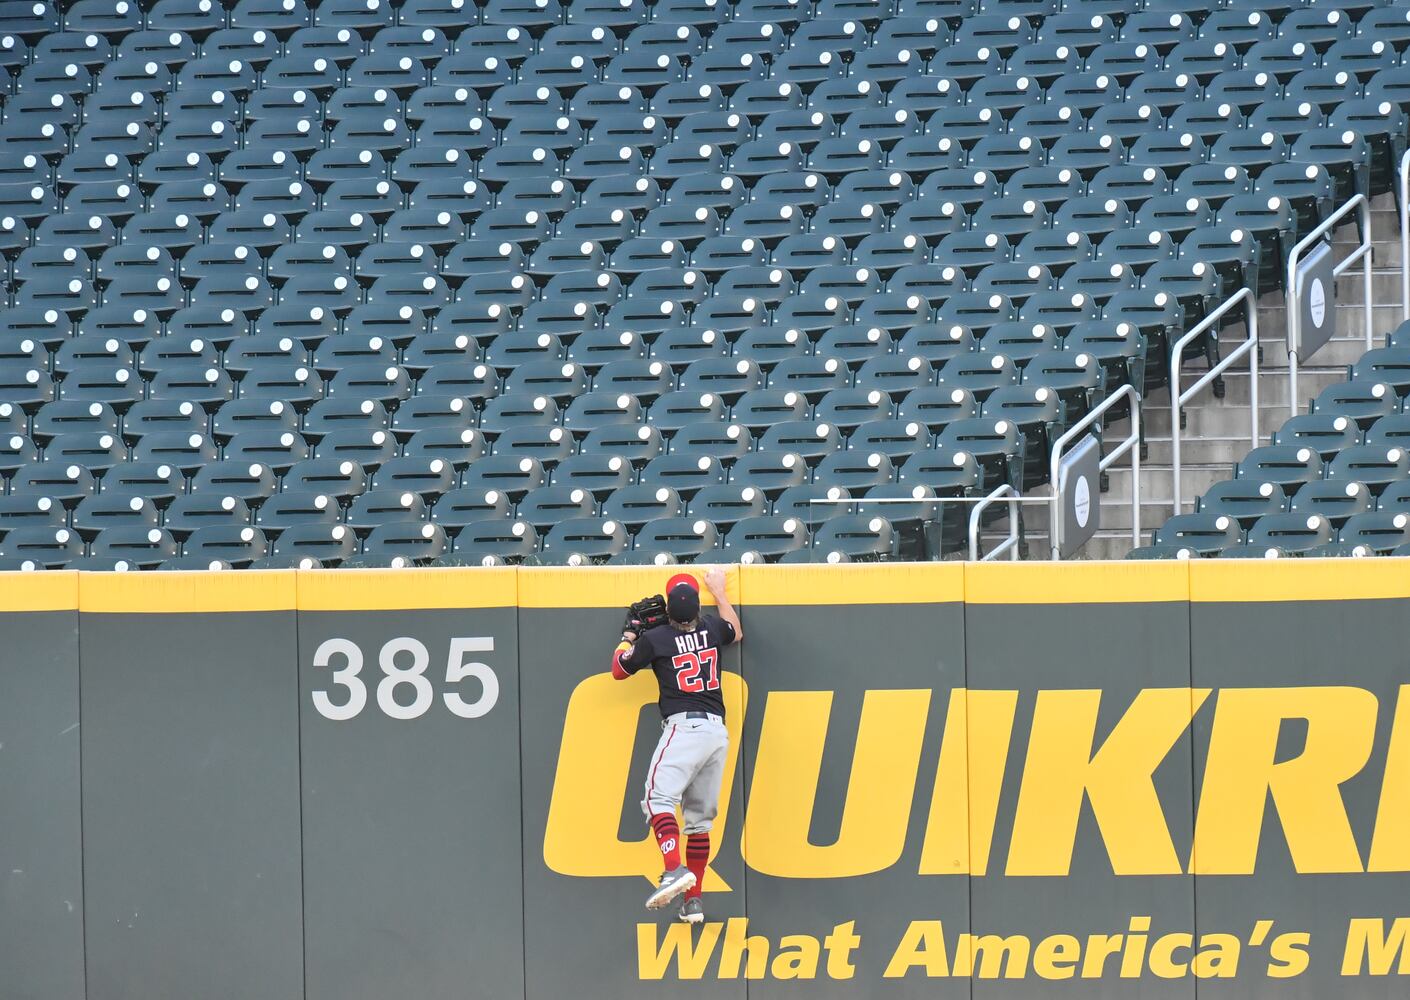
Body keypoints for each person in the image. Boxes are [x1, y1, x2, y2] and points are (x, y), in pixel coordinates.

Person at [610, 567, 742, 924]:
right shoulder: (712, 627)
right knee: (699, 824)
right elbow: (736, 630)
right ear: (698, 608)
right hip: (717, 734)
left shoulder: (657, 638)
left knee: (657, 800)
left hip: (684, 729)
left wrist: (630, 634)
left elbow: (618, 669)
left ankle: (672, 869)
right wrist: (719, 590)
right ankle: (693, 902)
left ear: (668, 610)